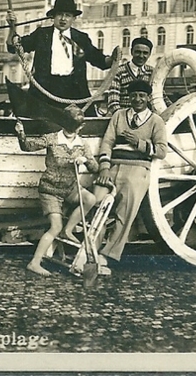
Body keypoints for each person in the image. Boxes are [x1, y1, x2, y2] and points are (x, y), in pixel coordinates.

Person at [64, 79, 168, 265]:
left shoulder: (155, 121)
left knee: (124, 213)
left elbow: (161, 151)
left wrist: (140, 143)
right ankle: (89, 250)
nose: (138, 99)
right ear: (129, 97)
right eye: (134, 95)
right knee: (96, 204)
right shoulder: (119, 116)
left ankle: (108, 255)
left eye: (142, 96)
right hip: (112, 168)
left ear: (148, 98)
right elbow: (108, 142)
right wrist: (104, 167)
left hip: (138, 170)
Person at [14, 107, 99, 277]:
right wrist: (20, 133)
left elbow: (95, 167)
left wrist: (86, 162)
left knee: (90, 199)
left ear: (80, 128)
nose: (71, 130)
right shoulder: (52, 139)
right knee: (55, 226)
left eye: (74, 127)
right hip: (50, 190)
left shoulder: (82, 144)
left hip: (70, 189)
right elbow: (28, 146)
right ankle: (34, 263)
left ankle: (68, 230)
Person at [6, 0, 119, 110]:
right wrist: (12, 27)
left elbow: (99, 59)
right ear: (53, 16)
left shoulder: (80, 38)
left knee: (88, 124)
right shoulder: (41, 35)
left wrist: (113, 58)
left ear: (73, 18)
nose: (63, 19)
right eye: (60, 14)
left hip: (74, 92)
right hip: (44, 92)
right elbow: (14, 46)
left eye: (68, 15)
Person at [106, 36, 154, 114]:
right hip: (123, 117)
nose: (141, 56)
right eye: (138, 52)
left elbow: (161, 97)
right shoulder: (118, 71)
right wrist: (126, 118)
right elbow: (113, 102)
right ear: (131, 52)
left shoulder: (152, 72)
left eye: (145, 53)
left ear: (149, 54)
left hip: (146, 118)